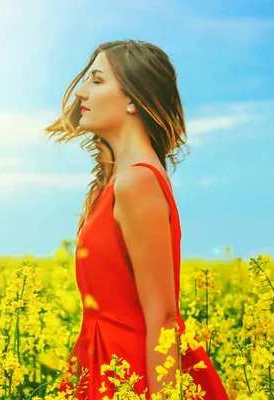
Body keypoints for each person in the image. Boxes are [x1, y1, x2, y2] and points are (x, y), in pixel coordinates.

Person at [43, 39, 228, 399]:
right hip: (104, 367)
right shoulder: (120, 181)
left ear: (133, 99)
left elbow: (163, 317)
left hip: (132, 374)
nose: (81, 92)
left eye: (97, 81)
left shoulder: (137, 182)